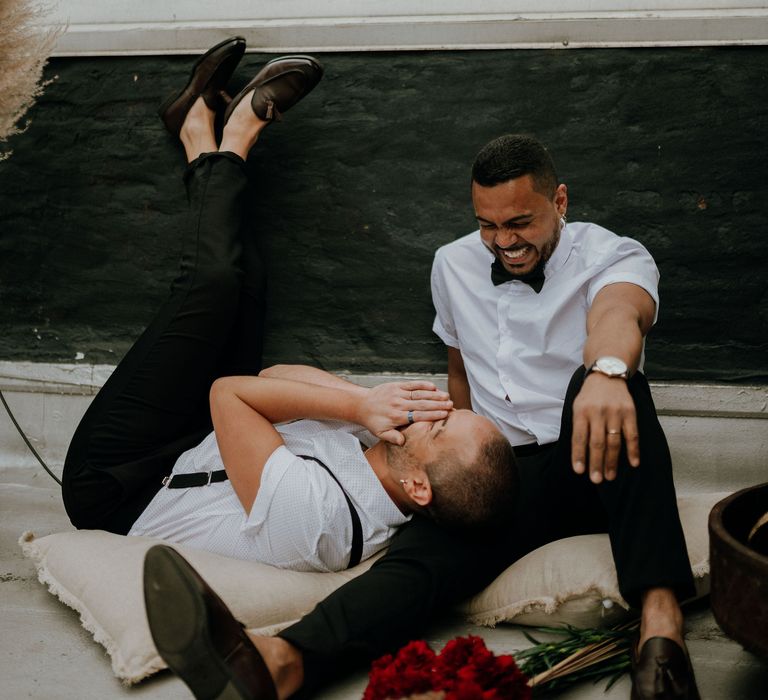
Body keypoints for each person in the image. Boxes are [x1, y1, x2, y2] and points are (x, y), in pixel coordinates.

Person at [140, 55, 699, 700]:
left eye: (520, 223)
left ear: (559, 201)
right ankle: (283, 660)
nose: (504, 242)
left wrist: (604, 369)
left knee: (610, 385)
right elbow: (459, 369)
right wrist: (452, 448)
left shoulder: (612, 253)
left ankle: (661, 631)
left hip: (595, 453)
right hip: (507, 471)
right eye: (488, 226)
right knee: (422, 558)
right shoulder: (452, 265)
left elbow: (618, 314)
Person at [61, 36, 517, 578]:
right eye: (455, 412)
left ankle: (233, 138)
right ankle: (193, 131)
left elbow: (230, 392)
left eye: (442, 428)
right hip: (197, 440)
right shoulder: (391, 449)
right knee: (247, 279)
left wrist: (355, 411)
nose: (438, 410)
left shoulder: (317, 522)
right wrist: (366, 399)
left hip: (120, 482)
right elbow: (274, 375)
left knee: (209, 286)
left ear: (419, 487)